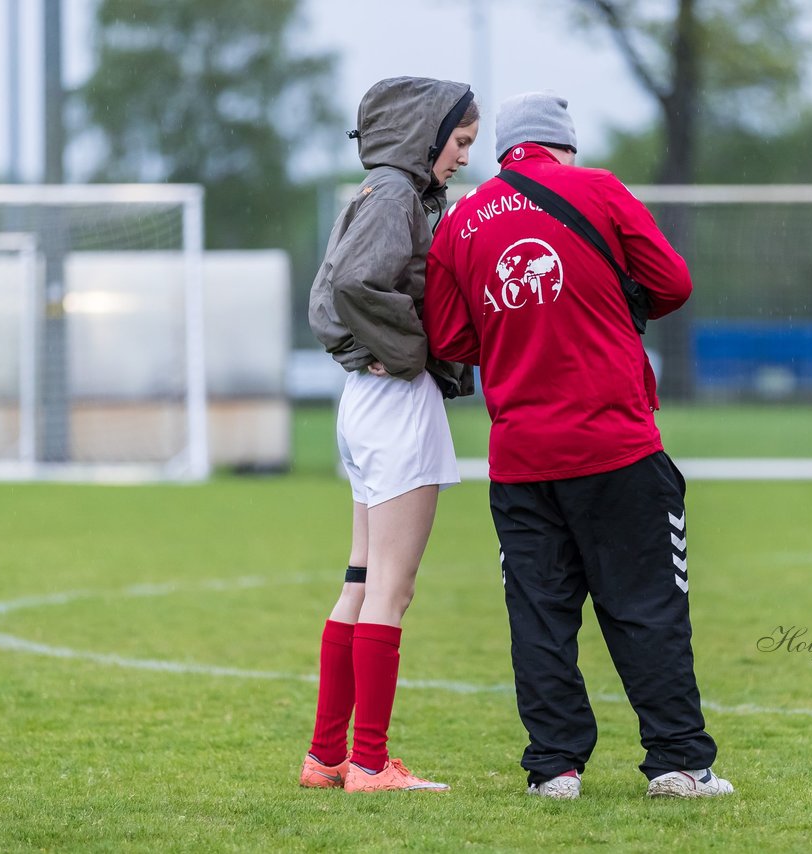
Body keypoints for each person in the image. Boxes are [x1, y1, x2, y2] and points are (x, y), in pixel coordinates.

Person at [423, 91, 733, 800]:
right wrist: (609, 307)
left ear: (505, 149)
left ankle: (554, 768)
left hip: (522, 459)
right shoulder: (596, 189)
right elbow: (674, 285)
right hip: (616, 446)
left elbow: (448, 338)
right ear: (563, 145)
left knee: (540, 616)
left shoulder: (461, 221)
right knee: (648, 606)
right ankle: (678, 763)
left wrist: (515, 339)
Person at [299, 76, 479, 793]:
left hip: (367, 402)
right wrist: (410, 352)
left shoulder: (381, 191)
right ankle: (370, 765)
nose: (464, 157)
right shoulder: (398, 194)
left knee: (360, 579)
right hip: (396, 403)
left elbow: (331, 291)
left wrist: (362, 350)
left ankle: (327, 757)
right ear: (426, 136)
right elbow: (351, 287)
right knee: (391, 591)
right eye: (460, 143)